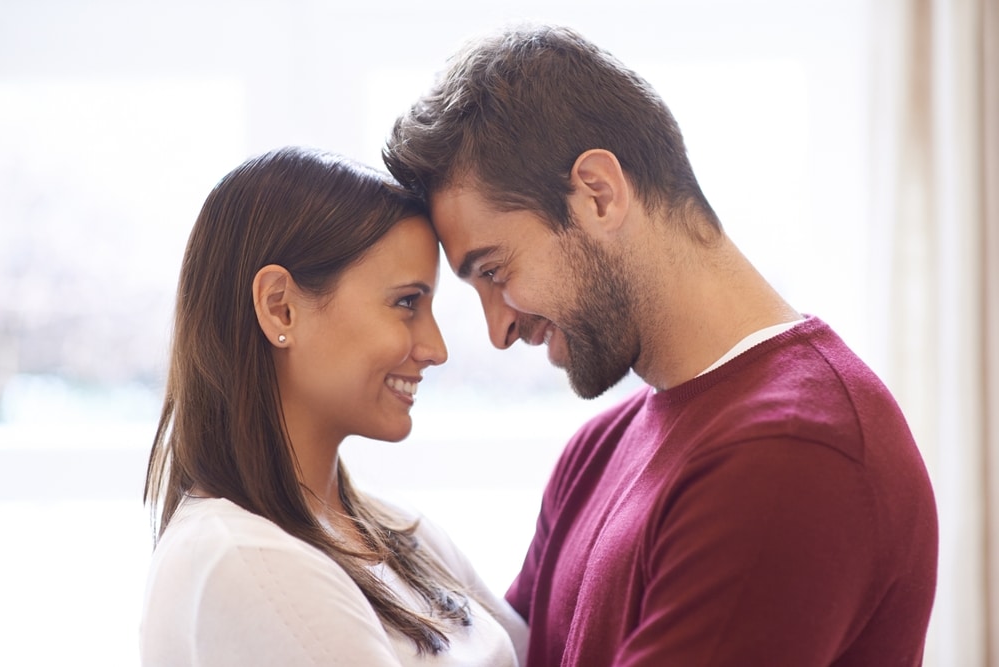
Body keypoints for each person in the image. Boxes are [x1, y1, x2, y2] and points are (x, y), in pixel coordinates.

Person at [382, 24, 938, 667]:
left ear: (598, 193)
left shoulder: (792, 454)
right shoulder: (597, 452)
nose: (498, 332)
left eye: (496, 272)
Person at [140, 146, 528, 666]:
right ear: (281, 307)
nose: (436, 348)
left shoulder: (399, 533)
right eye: (406, 303)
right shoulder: (248, 563)